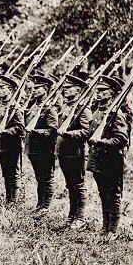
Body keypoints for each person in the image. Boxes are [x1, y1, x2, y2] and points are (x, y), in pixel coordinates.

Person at [87, 76, 129, 237]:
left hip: (111, 160)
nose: (98, 93)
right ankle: (105, 226)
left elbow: (121, 138)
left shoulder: (115, 114)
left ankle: (113, 229)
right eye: (97, 90)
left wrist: (103, 142)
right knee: (103, 193)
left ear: (111, 93)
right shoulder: (98, 111)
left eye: (103, 91)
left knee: (113, 194)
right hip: (98, 159)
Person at [56, 75, 91, 229]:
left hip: (76, 152)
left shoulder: (83, 109)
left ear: (77, 90)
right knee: (70, 185)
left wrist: (68, 134)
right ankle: (72, 216)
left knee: (78, 185)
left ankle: (81, 218)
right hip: (64, 151)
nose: (65, 90)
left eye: (69, 88)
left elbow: (86, 132)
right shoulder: (67, 106)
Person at [25, 76, 58, 214]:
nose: (34, 90)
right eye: (34, 88)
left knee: (47, 177)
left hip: (44, 148)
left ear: (45, 89)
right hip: (33, 147)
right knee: (39, 178)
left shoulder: (49, 109)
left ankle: (46, 206)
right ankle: (40, 204)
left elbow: (53, 130)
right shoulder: (34, 105)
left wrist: (36, 131)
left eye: (38, 88)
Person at [0, 75, 26, 203]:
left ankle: (14, 199)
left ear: (10, 90)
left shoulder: (15, 108)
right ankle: (8, 197)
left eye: (2, 88)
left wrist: (6, 131)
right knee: (6, 172)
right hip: (2, 144)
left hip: (12, 144)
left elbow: (20, 128)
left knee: (13, 172)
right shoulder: (2, 105)